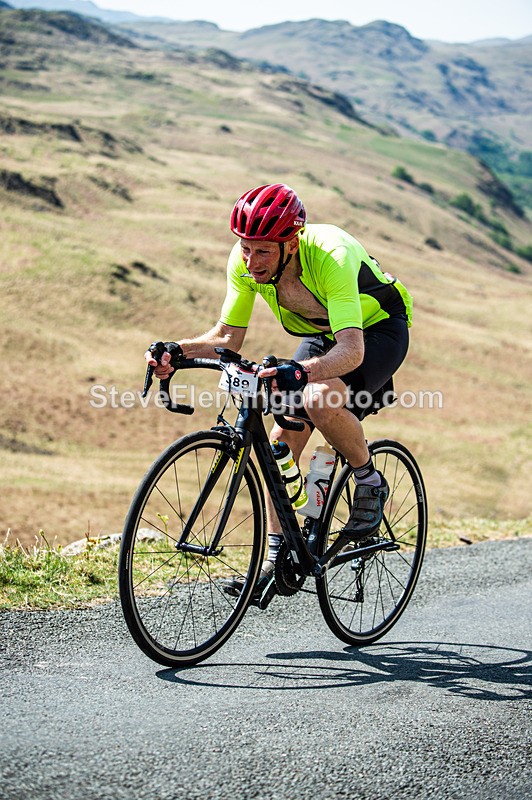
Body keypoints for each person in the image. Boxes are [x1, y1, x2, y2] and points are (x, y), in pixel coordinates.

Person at [146, 183, 412, 591]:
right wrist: (175, 351)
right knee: (281, 439)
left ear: (292, 241)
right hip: (320, 334)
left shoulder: (330, 256)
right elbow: (226, 339)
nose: (251, 262)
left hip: (374, 331)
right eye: (246, 248)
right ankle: (277, 558)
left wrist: (301, 373)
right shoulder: (245, 260)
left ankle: (368, 480)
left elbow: (352, 350)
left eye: (263, 251)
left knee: (319, 399)